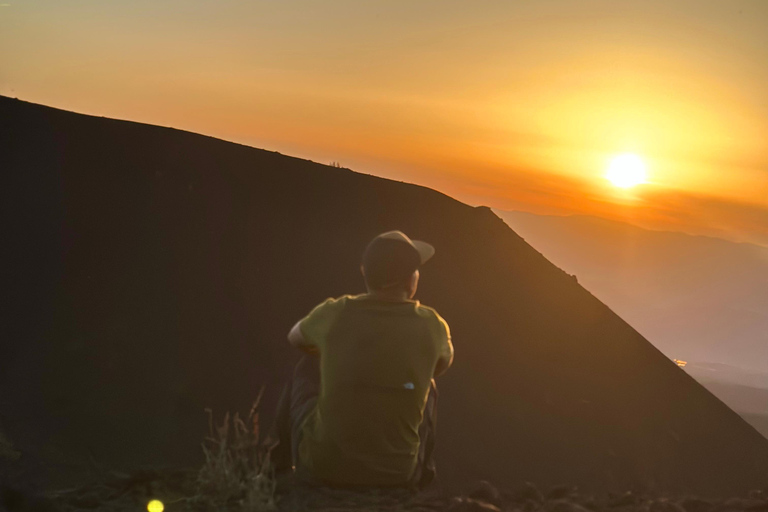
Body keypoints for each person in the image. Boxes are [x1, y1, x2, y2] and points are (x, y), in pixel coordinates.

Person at [271, 230, 454, 489]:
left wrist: (336, 354)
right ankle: (423, 473)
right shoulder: (432, 325)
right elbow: (441, 366)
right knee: (429, 387)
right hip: (397, 474)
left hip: (324, 467)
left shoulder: (336, 313)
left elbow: (295, 338)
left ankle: (277, 469)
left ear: (364, 272)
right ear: (410, 280)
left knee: (306, 366)